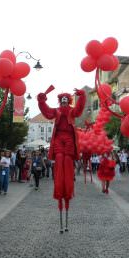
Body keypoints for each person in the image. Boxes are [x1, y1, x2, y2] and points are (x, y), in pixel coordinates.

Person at [37, 87, 86, 233]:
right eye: (62, 100)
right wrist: (41, 100)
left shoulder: (71, 111)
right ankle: (59, 191)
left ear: (68, 100)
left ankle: (67, 190)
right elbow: (46, 112)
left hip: (69, 138)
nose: (64, 101)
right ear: (60, 101)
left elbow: (79, 109)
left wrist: (82, 96)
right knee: (59, 158)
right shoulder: (57, 111)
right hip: (58, 138)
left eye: (66, 99)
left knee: (67, 162)